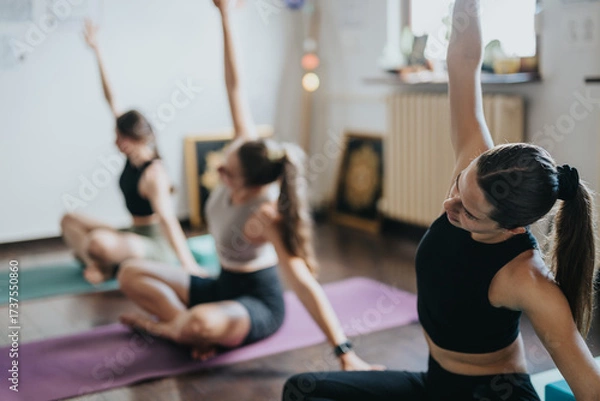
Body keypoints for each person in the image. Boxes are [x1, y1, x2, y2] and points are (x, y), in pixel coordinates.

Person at [282, 0, 600, 400]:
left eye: (468, 212)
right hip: (433, 383)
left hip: (491, 393)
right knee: (303, 390)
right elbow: (464, 62)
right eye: (458, 187)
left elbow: (589, 388)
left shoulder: (528, 280)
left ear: (512, 228)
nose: (450, 207)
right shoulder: (476, 173)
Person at [116, 0, 380, 370]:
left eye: (228, 172)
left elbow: (304, 285)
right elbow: (234, 85)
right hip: (218, 284)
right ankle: (186, 330)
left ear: (253, 185)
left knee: (202, 322)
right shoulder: (248, 149)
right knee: (129, 272)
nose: (220, 169)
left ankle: (175, 329)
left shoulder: (265, 214)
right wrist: (226, 17)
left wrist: (344, 352)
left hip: (256, 304)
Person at [60, 20, 204, 284]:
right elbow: (111, 98)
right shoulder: (132, 154)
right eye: (117, 136)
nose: (117, 143)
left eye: (122, 138)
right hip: (132, 233)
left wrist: (189, 265)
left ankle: (104, 265)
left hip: (154, 246)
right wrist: (97, 50)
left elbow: (169, 221)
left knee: (97, 242)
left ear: (137, 138)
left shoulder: (154, 174)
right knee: (69, 219)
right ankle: (101, 264)